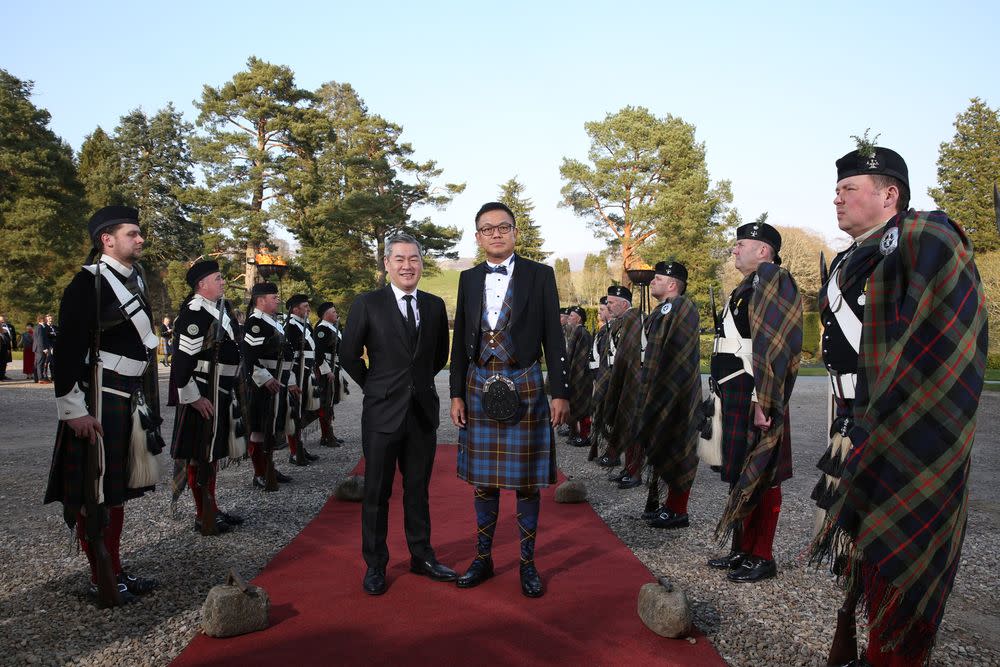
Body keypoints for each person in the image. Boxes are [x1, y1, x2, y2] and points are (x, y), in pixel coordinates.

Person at [810, 145, 988, 666]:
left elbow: (944, 343)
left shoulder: (924, 236)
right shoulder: (854, 256)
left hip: (906, 428)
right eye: (837, 189)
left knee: (899, 555)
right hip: (850, 421)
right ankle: (868, 650)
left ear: (890, 195)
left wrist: (891, 424)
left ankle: (893, 657)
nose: (836, 198)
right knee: (860, 546)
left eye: (848, 189)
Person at [44, 205, 162, 606]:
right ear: (107, 240)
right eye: (132, 233)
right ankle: (101, 575)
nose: (140, 238)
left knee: (116, 489)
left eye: (139, 232)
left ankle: (115, 567)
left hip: (128, 393)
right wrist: (73, 409)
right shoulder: (85, 284)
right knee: (95, 488)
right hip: (99, 394)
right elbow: (67, 351)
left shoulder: (135, 281)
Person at [450, 202, 569, 598]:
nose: (496, 234)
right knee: (483, 481)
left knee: (527, 482)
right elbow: (459, 342)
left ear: (515, 233)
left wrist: (560, 392)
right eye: (488, 228)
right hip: (478, 382)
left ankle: (527, 563)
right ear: (478, 236)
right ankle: (483, 558)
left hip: (525, 380)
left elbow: (554, 335)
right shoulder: (467, 279)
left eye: (504, 227)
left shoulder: (540, 275)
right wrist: (455, 393)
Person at [341, 232, 453, 596]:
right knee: (376, 492)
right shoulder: (368, 303)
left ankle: (422, 556)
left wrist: (416, 385)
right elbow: (348, 355)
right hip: (382, 415)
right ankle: (375, 564)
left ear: (422, 263)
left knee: (417, 491)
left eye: (414, 259)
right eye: (400, 259)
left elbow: (438, 357)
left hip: (421, 414)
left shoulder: (435, 306)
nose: (408, 265)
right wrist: (375, 385)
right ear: (387, 264)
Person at [708, 221, 802, 583]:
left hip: (756, 391)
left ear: (764, 250)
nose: (734, 249)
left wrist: (765, 397)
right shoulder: (749, 285)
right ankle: (741, 549)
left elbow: (775, 343)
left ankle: (762, 555)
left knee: (764, 474)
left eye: (741, 243)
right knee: (741, 472)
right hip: (738, 389)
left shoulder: (774, 279)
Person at [169, 261, 245, 534]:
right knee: (199, 455)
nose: (224, 282)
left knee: (209, 455)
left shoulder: (217, 310)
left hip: (220, 389)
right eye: (218, 278)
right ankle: (204, 514)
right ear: (202, 284)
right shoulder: (194, 312)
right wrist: (192, 398)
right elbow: (181, 361)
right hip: (203, 391)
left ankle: (210, 507)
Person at [633, 262, 701, 529]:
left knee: (678, 446)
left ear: (672, 284)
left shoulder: (682, 307)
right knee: (661, 442)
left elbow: (677, 354)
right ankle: (664, 504)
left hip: (676, 389)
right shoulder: (661, 311)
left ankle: (677, 509)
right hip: (658, 386)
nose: (652, 282)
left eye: (658, 278)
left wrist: (665, 389)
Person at [242, 282, 297, 489]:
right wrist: (264, 378)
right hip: (263, 384)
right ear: (261, 300)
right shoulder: (255, 322)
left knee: (271, 427)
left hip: (277, 380)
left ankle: (269, 467)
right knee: (259, 428)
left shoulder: (273, 322)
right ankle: (259, 472)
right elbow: (249, 357)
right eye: (274, 297)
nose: (277, 300)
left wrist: (288, 379)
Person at [601, 286, 646, 489]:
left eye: (611, 302)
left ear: (624, 303)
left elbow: (634, 354)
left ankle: (635, 471)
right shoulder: (622, 321)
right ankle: (628, 468)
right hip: (623, 377)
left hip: (634, 380)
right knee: (626, 425)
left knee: (633, 427)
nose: (608, 307)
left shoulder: (634, 319)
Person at [284, 294, 320, 466]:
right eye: (305, 306)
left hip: (306, 372)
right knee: (295, 413)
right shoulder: (290, 327)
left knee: (302, 412)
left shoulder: (304, 325)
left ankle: (299, 446)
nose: (308, 309)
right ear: (295, 309)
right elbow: (289, 356)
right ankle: (294, 450)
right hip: (297, 373)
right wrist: (291, 379)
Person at [313, 301, 345, 448]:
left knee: (330, 401)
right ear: (326, 315)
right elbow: (318, 353)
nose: (336, 313)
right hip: (326, 368)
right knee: (325, 401)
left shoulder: (332, 328)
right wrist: (327, 370)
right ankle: (326, 435)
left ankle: (328, 434)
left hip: (334, 366)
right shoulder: (322, 329)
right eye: (333, 311)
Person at [564, 305, 594, 447]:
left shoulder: (582, 333)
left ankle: (584, 435)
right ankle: (575, 433)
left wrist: (575, 375)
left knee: (582, 406)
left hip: (581, 376)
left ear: (579, 318)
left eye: (572, 316)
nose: (569, 318)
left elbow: (581, 358)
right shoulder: (576, 331)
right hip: (575, 374)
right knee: (575, 405)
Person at [587, 296, 611, 461]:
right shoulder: (603, 329)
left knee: (608, 418)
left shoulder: (610, 329)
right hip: (598, 377)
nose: (599, 313)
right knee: (600, 416)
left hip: (606, 378)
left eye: (602, 309)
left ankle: (612, 452)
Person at [0, 314, 16, 381]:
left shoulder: (8, 328)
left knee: (4, 362)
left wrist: (10, 348)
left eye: (3, 320)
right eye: (0, 321)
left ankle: (2, 376)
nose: (2, 322)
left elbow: (9, 339)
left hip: (5, 348)